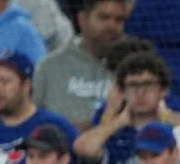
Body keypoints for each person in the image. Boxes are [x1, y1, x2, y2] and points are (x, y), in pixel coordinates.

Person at [74, 52, 180, 164]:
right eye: (133, 86)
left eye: (147, 85)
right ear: (122, 92)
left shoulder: (175, 127)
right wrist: (119, 121)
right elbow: (84, 147)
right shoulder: (114, 131)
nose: (140, 93)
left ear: (163, 90)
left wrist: (168, 117)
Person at [31, 0, 129, 129]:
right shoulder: (49, 67)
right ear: (82, 19)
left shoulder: (132, 67)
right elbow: (28, 120)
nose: (111, 25)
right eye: (104, 17)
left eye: (119, 20)